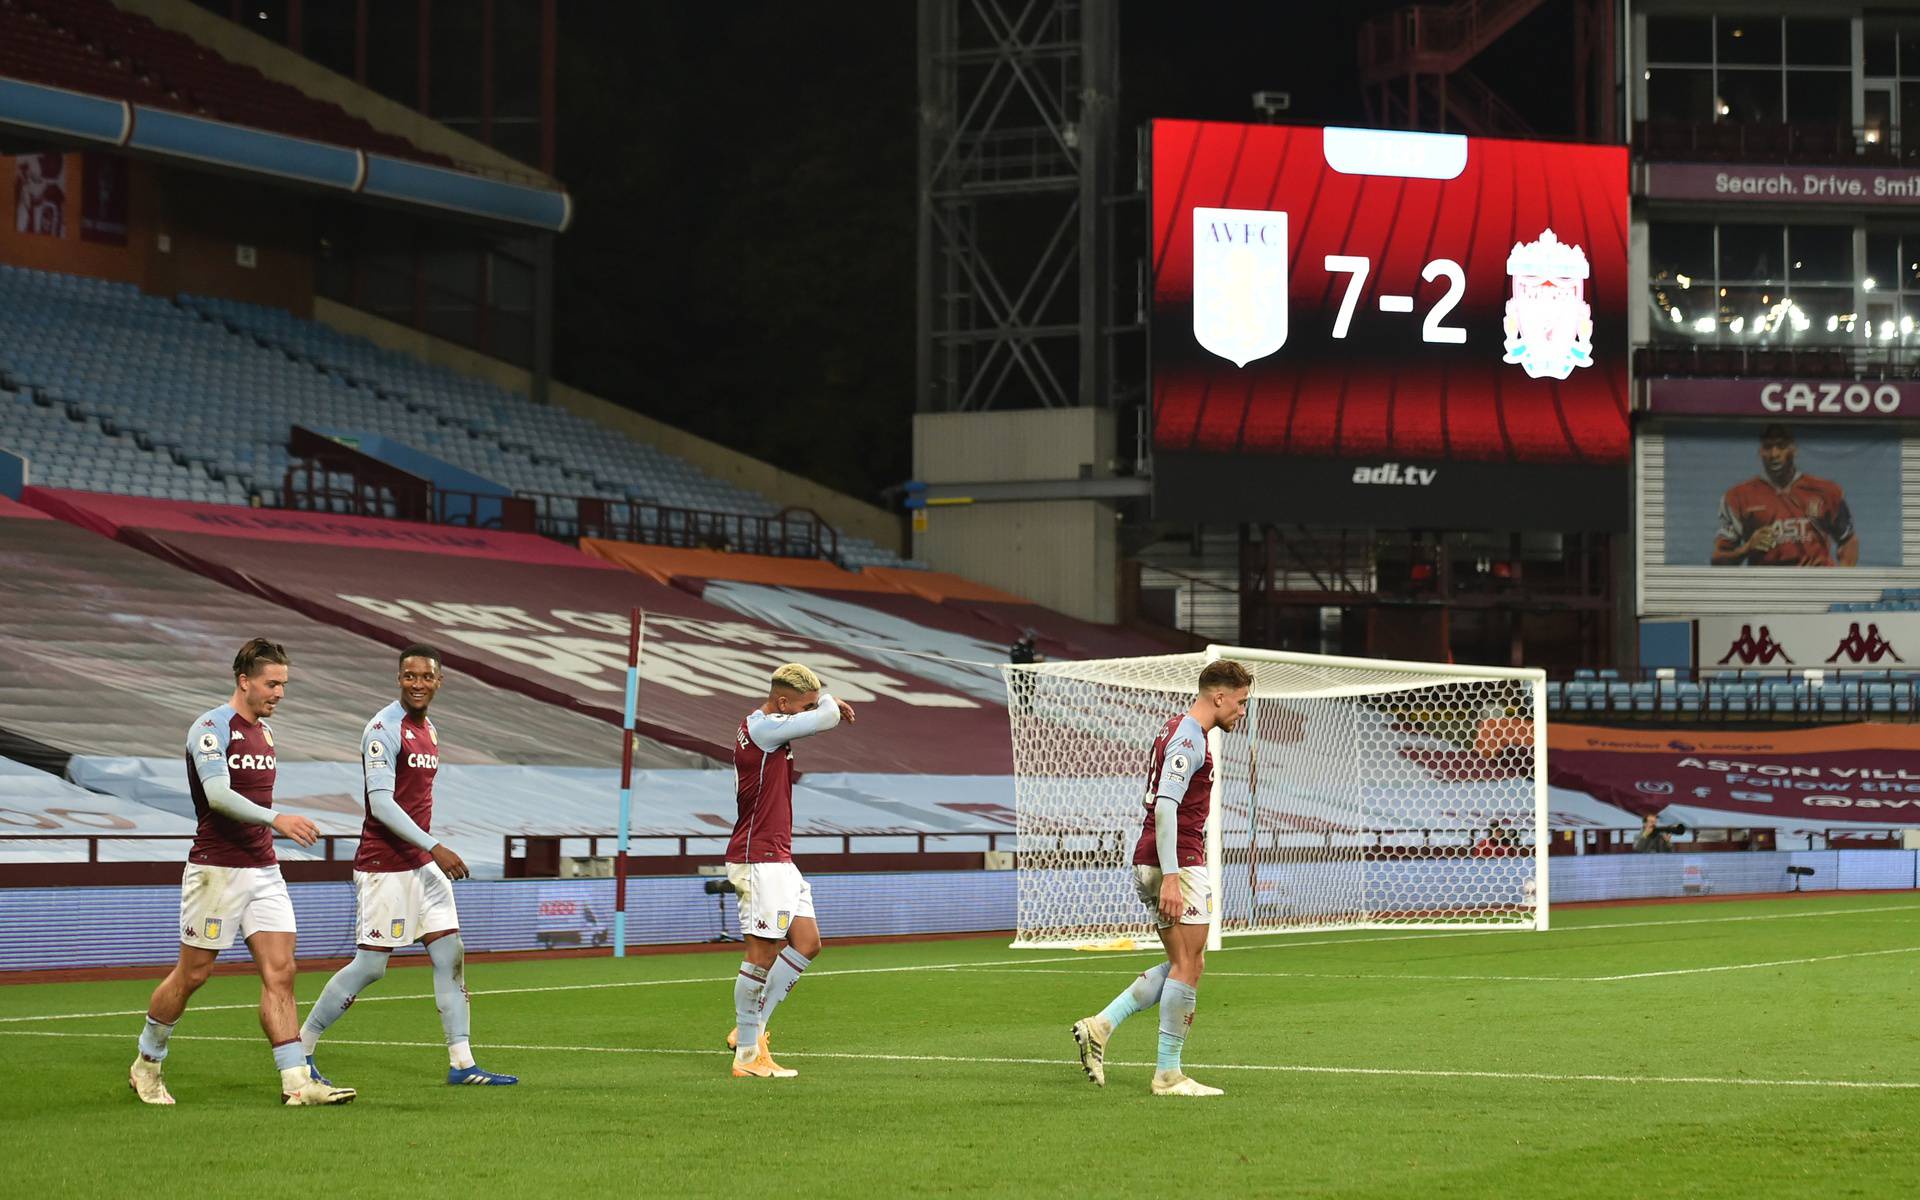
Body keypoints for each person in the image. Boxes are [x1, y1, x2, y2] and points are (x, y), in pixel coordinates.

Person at [129, 638, 356, 1107]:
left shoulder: (266, 733)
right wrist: (279, 820)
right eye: (272, 684)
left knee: (282, 972)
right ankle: (147, 1063)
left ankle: (296, 1082)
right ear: (244, 681)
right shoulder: (211, 728)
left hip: (263, 870)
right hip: (216, 871)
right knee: (193, 975)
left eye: (284, 685)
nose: (279, 693)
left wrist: (272, 832)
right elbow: (217, 795)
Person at [299, 645, 518, 1086]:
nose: (417, 683)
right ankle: (299, 1049)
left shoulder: (431, 729)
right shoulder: (383, 730)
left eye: (426, 677)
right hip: (385, 865)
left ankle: (462, 1064)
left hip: (421, 865)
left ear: (439, 682)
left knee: (450, 954)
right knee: (371, 967)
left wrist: (428, 853)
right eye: (409, 676)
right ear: (398, 679)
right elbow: (381, 804)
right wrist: (435, 846)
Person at [1071, 659, 1253, 1098]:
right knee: (1190, 965)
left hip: (1159, 857)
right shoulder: (1188, 738)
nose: (1242, 712)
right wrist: (1173, 877)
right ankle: (1168, 1075)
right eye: (1241, 702)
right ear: (1219, 696)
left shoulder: (1175, 728)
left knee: (1184, 963)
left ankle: (1101, 1026)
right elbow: (1167, 806)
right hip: (1177, 860)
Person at [724, 663, 856, 1079]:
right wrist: (828, 704)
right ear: (782, 702)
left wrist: (821, 703)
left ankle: (751, 1031)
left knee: (807, 942)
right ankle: (747, 1054)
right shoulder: (763, 729)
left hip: (778, 857)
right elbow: (829, 716)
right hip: (759, 857)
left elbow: (822, 714)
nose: (807, 713)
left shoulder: (769, 725)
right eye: (803, 706)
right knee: (762, 953)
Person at [1712, 424, 1858, 567]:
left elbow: (1848, 540)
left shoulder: (1827, 491)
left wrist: (1841, 582)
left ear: (1793, 449)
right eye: (1768, 447)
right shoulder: (1738, 497)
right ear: (1760, 452)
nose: (1774, 454)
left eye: (1781, 446)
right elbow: (1718, 559)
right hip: (1769, 586)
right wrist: (1747, 548)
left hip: (1815, 584)